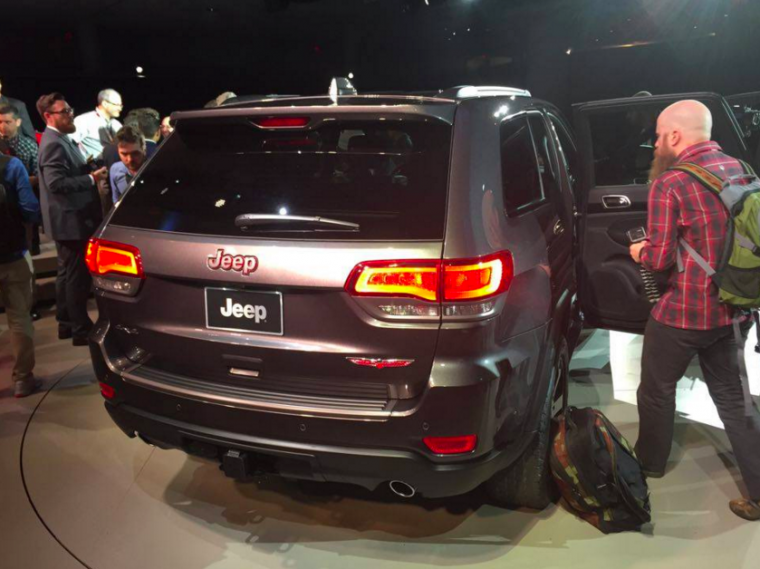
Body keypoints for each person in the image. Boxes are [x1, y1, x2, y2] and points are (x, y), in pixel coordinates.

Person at [629, 100, 760, 521]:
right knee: (734, 398)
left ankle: (649, 463)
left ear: (673, 136)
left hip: (685, 313)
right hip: (736, 308)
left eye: (657, 134)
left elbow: (660, 258)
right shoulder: (743, 170)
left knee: (656, 389)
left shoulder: (670, 184)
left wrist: (639, 250)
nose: (654, 143)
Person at [36, 92, 107, 346]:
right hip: (70, 222)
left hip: (64, 221)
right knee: (77, 277)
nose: (70, 114)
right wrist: (92, 178)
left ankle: (66, 323)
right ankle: (80, 328)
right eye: (64, 111)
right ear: (49, 116)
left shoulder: (56, 139)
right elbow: (56, 183)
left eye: (69, 109)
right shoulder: (54, 142)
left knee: (66, 274)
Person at [0, 153, 41, 397]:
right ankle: (23, 379)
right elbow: (29, 208)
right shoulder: (11, 165)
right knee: (19, 318)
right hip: (13, 253)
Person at [0, 104, 40, 255]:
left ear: (18, 122)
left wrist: (28, 180)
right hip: (4, 203)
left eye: (7, 122)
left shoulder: (28, 145)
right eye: (0, 122)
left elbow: (38, 173)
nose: (3, 126)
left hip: (25, 198)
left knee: (29, 247)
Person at [70, 88, 123, 160]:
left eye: (121, 105)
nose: (120, 108)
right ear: (105, 104)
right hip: (95, 168)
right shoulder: (84, 120)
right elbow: (70, 145)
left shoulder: (117, 125)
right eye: (117, 105)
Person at [110, 126, 147, 203]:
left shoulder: (155, 167)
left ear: (144, 149)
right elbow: (116, 200)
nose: (130, 159)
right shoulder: (115, 169)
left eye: (135, 153)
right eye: (124, 154)